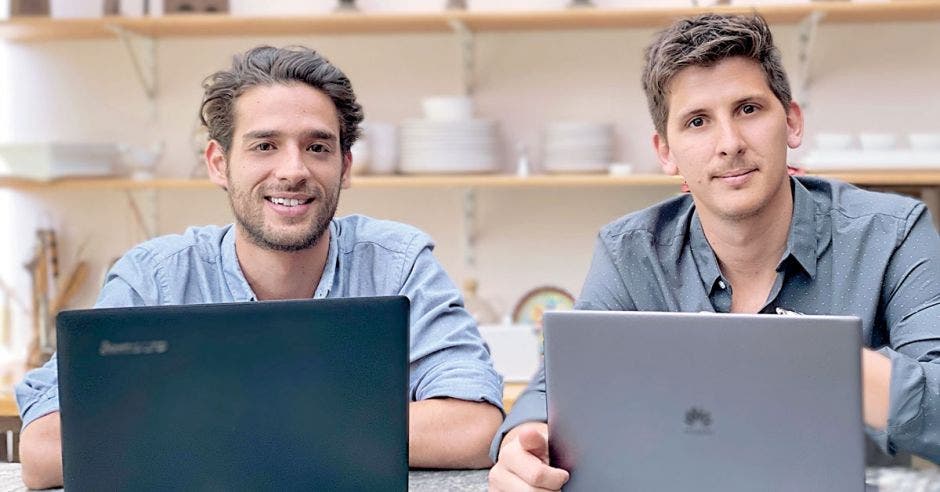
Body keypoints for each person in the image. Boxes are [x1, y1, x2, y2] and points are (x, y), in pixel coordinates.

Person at [15, 45, 504, 489]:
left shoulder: (396, 263)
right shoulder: (155, 278)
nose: (293, 170)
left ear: (346, 165)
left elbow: (473, 427)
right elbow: (43, 450)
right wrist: (329, 430)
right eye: (264, 145)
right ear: (218, 164)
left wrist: (205, 428)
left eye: (317, 147)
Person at [488, 13, 940, 491]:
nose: (730, 145)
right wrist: (526, 439)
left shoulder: (893, 235)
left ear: (791, 121)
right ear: (666, 151)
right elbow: (557, 389)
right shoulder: (630, 252)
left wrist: (811, 359)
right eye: (698, 121)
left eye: (748, 109)